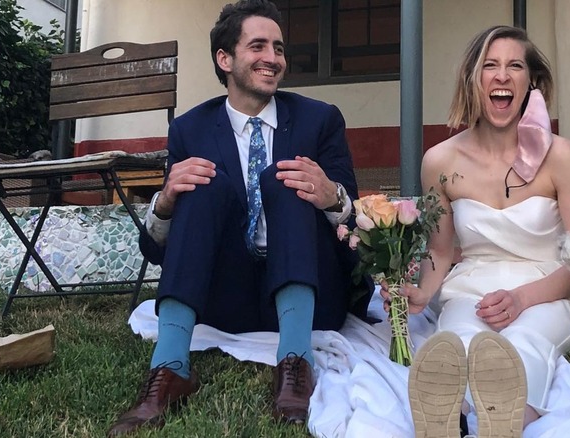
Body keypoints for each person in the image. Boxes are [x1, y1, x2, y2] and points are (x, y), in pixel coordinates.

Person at [107, 0, 372, 435]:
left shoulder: (319, 120)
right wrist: (166, 200)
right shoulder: (190, 130)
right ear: (225, 59)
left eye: (279, 48)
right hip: (224, 301)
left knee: (283, 179)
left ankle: (296, 365)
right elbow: (154, 250)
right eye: (259, 46)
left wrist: (332, 196)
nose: (273, 58)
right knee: (200, 183)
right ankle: (170, 371)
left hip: (311, 297)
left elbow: (353, 232)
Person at [384, 25, 570, 437]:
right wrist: (422, 293)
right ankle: (449, 418)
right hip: (473, 287)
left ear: (530, 81)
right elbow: (441, 252)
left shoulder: (562, 155)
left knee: (524, 345)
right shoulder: (439, 160)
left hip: (548, 287)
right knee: (457, 341)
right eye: (490, 66)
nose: (502, 76)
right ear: (474, 80)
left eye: (514, 66)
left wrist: (521, 299)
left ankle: (507, 423)